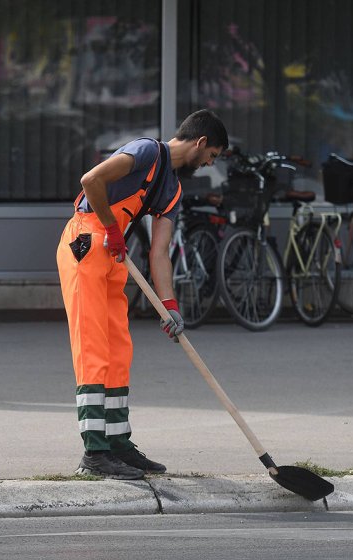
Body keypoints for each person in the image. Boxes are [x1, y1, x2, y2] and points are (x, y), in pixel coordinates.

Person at [57, 109, 228, 479]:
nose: (209, 162)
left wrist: (169, 307)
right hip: (86, 243)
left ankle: (118, 444)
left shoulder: (173, 189)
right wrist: (109, 227)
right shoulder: (148, 152)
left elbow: (159, 252)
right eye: (212, 155)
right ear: (200, 143)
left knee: (119, 349)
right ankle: (95, 451)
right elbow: (91, 180)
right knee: (93, 347)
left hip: (114, 253)